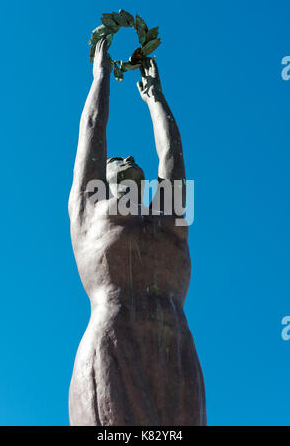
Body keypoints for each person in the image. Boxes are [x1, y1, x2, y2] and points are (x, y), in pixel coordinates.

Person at [68, 39, 206, 426]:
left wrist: (155, 97)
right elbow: (93, 129)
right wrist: (100, 77)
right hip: (114, 346)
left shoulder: (168, 221)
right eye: (115, 160)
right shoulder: (90, 212)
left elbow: (173, 158)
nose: (127, 158)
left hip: (176, 351)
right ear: (102, 178)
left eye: (130, 158)